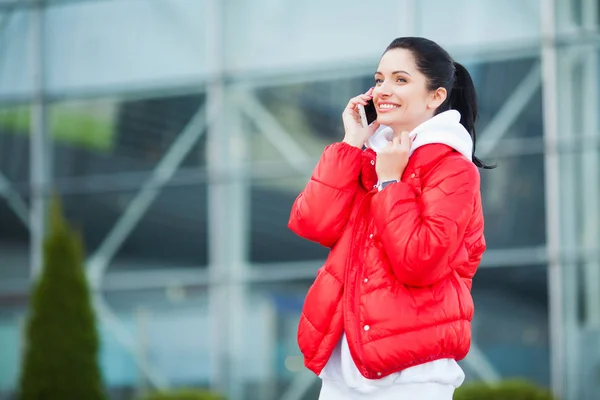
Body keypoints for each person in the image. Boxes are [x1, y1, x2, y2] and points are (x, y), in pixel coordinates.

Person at [288, 37, 494, 400]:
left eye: (400, 79)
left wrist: (390, 183)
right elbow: (312, 223)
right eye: (379, 79)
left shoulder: (454, 170)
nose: (384, 89)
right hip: (344, 365)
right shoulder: (367, 158)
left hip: (412, 373)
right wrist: (352, 142)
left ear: (435, 97)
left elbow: (420, 261)